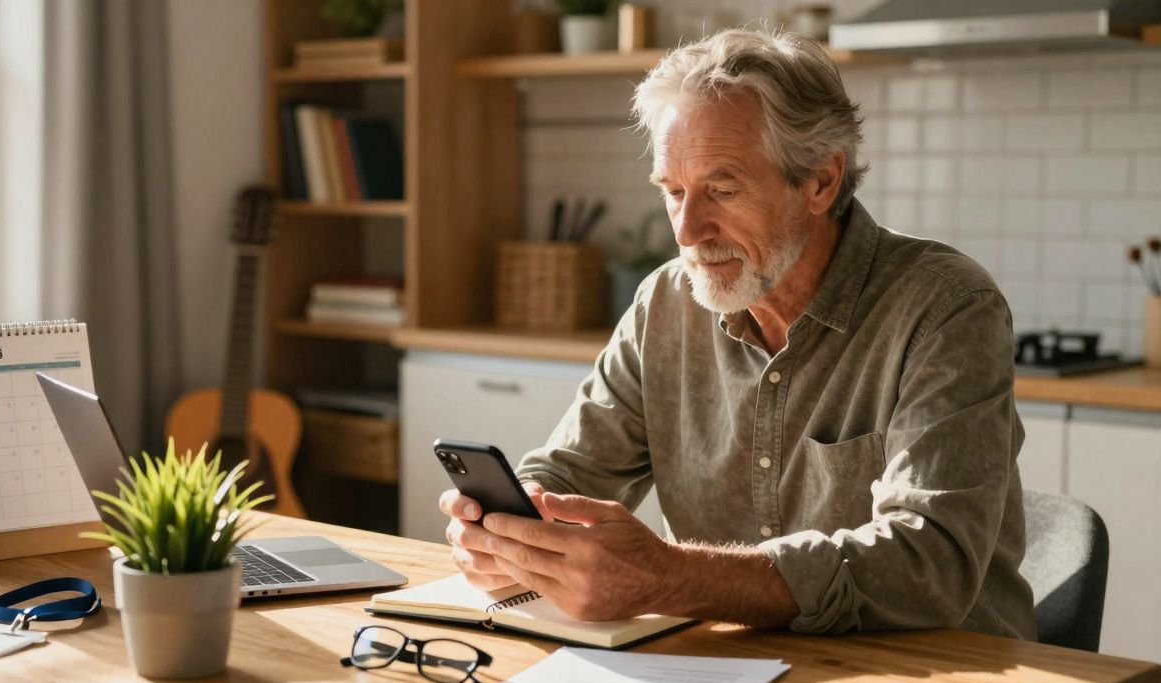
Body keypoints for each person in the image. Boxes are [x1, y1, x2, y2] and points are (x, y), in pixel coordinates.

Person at [439, 27, 1036, 639]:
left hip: (943, 682)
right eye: (673, 192)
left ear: (820, 182)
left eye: (722, 190)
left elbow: (927, 563)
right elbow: (568, 473)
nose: (686, 231)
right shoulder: (664, 303)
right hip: (732, 672)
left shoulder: (946, 308)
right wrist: (511, 528)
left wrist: (670, 575)